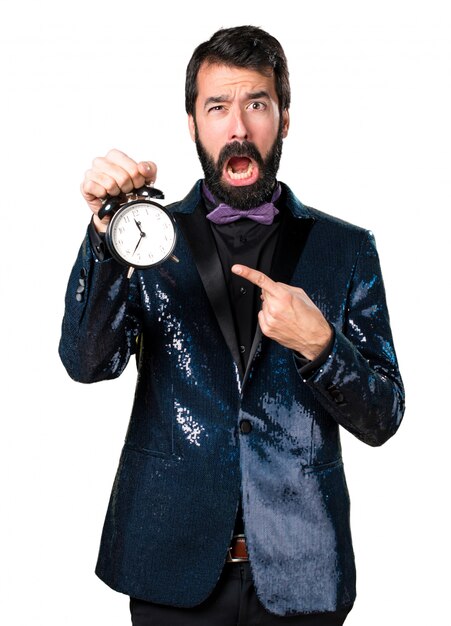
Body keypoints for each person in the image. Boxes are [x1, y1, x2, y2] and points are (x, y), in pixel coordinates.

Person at [59, 25, 405, 626]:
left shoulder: (346, 249)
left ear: (285, 119)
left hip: (303, 570)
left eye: (257, 104)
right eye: (217, 107)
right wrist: (104, 236)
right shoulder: (144, 238)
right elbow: (88, 364)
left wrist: (321, 346)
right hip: (170, 567)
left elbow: (383, 417)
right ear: (192, 123)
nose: (238, 127)